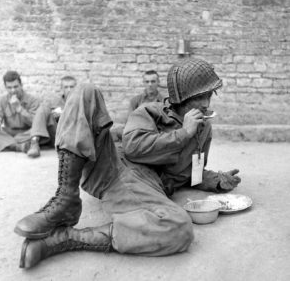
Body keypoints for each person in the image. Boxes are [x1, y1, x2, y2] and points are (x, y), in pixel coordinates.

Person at [14, 58, 241, 269]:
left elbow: (190, 172)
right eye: (199, 97)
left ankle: (65, 238)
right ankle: (65, 200)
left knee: (179, 228)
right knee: (86, 91)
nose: (205, 103)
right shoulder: (150, 111)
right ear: (181, 99)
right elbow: (133, 148)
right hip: (112, 167)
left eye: (209, 95)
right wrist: (183, 134)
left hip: (146, 187)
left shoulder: (203, 130)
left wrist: (216, 180)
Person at [27, 76, 77, 158]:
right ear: (62, 89)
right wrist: (54, 115)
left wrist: (64, 115)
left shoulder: (81, 103)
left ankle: (33, 142)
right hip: (57, 134)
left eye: (72, 87)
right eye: (66, 87)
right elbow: (43, 115)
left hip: (72, 137)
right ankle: (34, 142)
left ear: (76, 88)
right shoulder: (55, 101)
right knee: (43, 108)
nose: (69, 89)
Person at [0, 71, 39, 153]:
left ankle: (4, 144)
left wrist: (19, 108)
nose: (13, 90)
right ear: (5, 87)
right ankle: (18, 146)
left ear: (21, 85)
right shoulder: (2, 100)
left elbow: (36, 123)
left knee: (38, 132)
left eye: (16, 86)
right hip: (9, 133)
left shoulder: (32, 100)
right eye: (9, 87)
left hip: (26, 133)